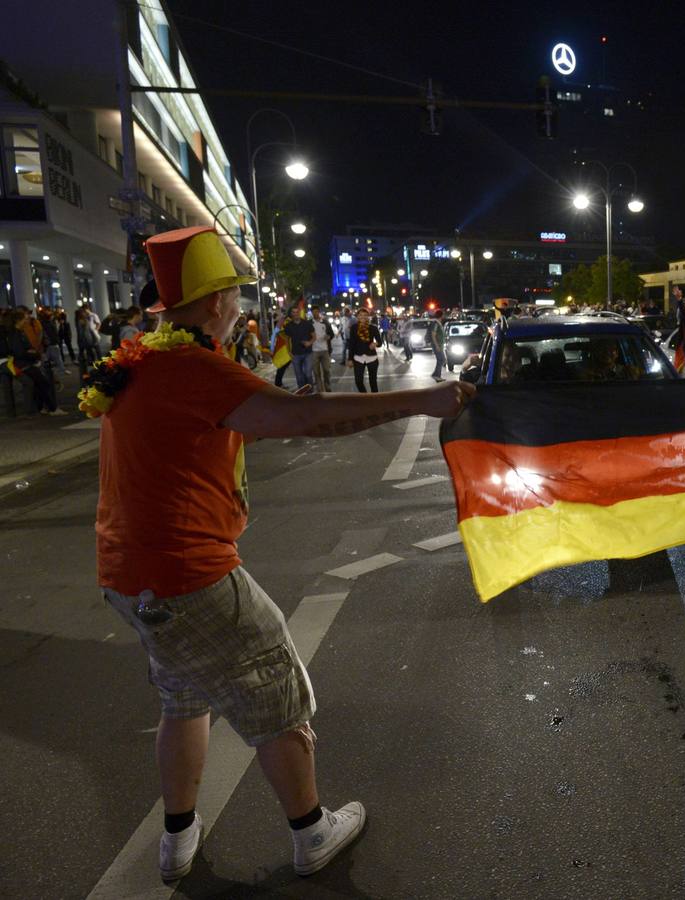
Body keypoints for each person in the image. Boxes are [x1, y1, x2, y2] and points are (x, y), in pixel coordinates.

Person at [93, 226, 473, 883]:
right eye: (236, 294)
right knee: (279, 696)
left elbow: (277, 418)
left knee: (184, 699)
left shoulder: (141, 361)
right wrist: (423, 400)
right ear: (219, 302)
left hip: (128, 577)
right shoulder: (194, 366)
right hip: (190, 576)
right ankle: (312, 833)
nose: (241, 304)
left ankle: (177, 840)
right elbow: (306, 419)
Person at [2, 308, 63, 415]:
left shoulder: (19, 332)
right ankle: (52, 408)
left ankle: (41, 408)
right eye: (24, 319)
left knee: (38, 383)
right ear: (18, 321)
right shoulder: (16, 334)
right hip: (23, 364)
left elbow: (27, 348)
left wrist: (31, 352)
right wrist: (33, 353)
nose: (26, 320)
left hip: (25, 362)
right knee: (43, 383)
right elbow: (20, 352)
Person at [346, 308, 383, 392]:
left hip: (372, 358)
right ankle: (365, 397)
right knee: (358, 381)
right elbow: (351, 344)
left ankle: (375, 400)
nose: (363, 317)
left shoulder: (373, 328)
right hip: (358, 358)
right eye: (361, 315)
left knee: (373, 382)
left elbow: (380, 342)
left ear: (368, 317)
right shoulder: (354, 328)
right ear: (357, 317)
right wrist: (350, 359)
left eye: (365, 315)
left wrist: (375, 344)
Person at [284, 308, 316, 392]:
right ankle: (302, 393)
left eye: (297, 312)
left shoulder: (307, 324)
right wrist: (289, 352)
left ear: (299, 313)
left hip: (308, 353)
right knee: (299, 376)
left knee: (308, 374)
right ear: (291, 314)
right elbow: (286, 340)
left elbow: (314, 336)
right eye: (293, 312)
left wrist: (309, 343)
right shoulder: (288, 326)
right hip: (295, 354)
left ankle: (310, 392)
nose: (296, 314)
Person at [309, 308, 334, 393]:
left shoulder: (325, 322)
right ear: (312, 313)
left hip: (325, 350)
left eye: (317, 311)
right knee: (316, 372)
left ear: (319, 312)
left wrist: (328, 337)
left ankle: (327, 386)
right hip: (314, 350)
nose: (315, 313)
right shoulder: (309, 323)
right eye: (313, 312)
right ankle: (320, 389)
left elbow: (331, 334)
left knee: (326, 370)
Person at [428, 308, 447, 380]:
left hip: (440, 345)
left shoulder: (438, 322)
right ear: (441, 315)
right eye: (443, 314)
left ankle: (435, 374)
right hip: (437, 345)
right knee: (441, 359)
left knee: (441, 359)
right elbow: (433, 334)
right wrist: (436, 346)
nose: (444, 316)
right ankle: (437, 375)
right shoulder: (435, 323)